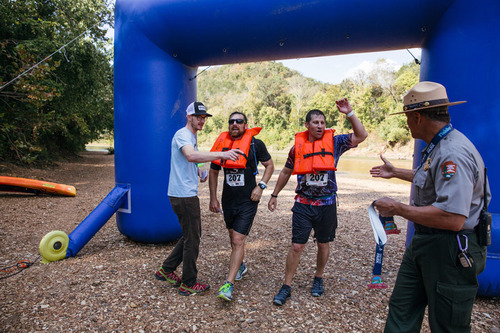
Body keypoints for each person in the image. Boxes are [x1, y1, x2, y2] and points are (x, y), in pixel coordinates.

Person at [370, 81, 490, 332]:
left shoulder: (452, 152)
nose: (406, 123)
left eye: (406, 117)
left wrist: (398, 208)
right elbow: (430, 178)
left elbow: (453, 218)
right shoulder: (438, 145)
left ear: (417, 117)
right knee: (401, 310)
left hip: (451, 248)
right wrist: (396, 172)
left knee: (449, 325)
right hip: (425, 242)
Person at [268, 98, 368, 306]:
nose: (320, 126)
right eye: (315, 123)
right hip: (303, 203)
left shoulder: (335, 142)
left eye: (322, 122)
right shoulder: (297, 147)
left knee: (323, 243)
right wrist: (274, 194)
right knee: (297, 246)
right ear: (307, 125)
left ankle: (318, 278)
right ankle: (286, 285)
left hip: (327, 204)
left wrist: (349, 113)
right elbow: (286, 171)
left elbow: (361, 136)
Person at [154, 101, 242, 296]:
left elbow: (190, 160)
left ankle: (167, 269)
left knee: (190, 235)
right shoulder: (182, 134)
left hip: (184, 193)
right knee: (193, 238)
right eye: (198, 117)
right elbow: (190, 156)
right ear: (189, 117)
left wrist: (198, 172)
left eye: (204, 117)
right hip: (183, 195)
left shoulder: (190, 136)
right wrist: (223, 154)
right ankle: (188, 283)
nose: (202, 120)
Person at [208, 111, 274, 301]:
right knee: (232, 235)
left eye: (239, 121)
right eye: (231, 121)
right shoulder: (222, 143)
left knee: (238, 239)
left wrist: (261, 187)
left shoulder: (255, 144)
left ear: (246, 125)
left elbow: (269, 166)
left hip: (248, 199)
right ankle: (241, 265)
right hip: (228, 199)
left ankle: (228, 285)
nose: (234, 124)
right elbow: (213, 172)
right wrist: (213, 198)